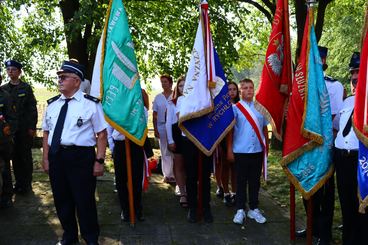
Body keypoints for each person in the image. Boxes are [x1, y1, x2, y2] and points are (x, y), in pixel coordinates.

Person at [42, 60, 107, 245]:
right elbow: (46, 132)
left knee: (84, 201)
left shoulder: (90, 104)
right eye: (59, 77)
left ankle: (91, 238)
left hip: (80, 158)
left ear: (77, 81)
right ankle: (69, 236)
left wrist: (99, 160)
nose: (59, 80)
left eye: (63, 77)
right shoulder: (53, 104)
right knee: (62, 200)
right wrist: (46, 158)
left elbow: (101, 134)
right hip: (57, 158)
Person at [296, 46, 344, 245]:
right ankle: (311, 225)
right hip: (304, 144)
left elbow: (333, 117)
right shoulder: (301, 85)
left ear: (324, 61)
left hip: (324, 144)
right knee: (306, 184)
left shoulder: (334, 86)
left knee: (324, 190)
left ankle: (324, 233)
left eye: (319, 59)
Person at [334, 52, 368, 245]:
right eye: (353, 74)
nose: (355, 78)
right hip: (342, 159)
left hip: (361, 159)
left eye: (359, 72)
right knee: (346, 204)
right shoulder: (346, 102)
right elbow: (338, 126)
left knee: (362, 206)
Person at [228, 78, 268, 225]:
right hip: (240, 151)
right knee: (240, 181)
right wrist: (229, 150)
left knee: (254, 182)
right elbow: (230, 132)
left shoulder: (260, 108)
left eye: (251, 87)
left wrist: (266, 149)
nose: (248, 90)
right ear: (240, 91)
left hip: (257, 151)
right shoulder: (235, 108)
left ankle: (253, 208)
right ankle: (240, 209)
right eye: (245, 88)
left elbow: (264, 129)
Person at [1, 60, 37, 194]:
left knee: (25, 156)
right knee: (14, 157)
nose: (11, 71)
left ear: (19, 72)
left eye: (13, 69)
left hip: (24, 128)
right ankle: (18, 183)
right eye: (8, 69)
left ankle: (27, 184)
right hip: (10, 130)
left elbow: (32, 109)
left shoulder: (26, 88)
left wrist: (32, 127)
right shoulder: (3, 89)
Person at [109, 127, 145, 222]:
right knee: (120, 179)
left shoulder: (139, 110)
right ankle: (125, 209)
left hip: (136, 143)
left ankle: (137, 208)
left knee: (137, 178)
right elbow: (109, 128)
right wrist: (112, 146)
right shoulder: (116, 111)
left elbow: (142, 123)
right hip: (120, 144)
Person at [165, 76, 187, 207]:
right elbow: (168, 123)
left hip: (190, 134)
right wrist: (170, 140)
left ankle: (189, 189)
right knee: (178, 164)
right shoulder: (172, 102)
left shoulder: (193, 100)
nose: (183, 88)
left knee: (189, 165)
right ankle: (183, 193)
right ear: (176, 88)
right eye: (180, 86)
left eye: (185, 85)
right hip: (176, 133)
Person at [152, 74, 174, 182]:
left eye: (165, 81)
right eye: (162, 82)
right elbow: (154, 114)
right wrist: (155, 129)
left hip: (173, 126)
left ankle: (175, 174)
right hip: (161, 125)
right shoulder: (158, 97)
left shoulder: (175, 95)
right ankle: (167, 174)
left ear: (170, 83)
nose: (163, 84)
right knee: (164, 150)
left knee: (174, 150)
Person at [220, 81, 239, 206]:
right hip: (223, 140)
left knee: (235, 169)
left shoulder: (240, 106)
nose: (231, 92)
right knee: (225, 166)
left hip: (238, 140)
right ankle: (226, 193)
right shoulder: (221, 107)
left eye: (234, 89)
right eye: (229, 89)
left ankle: (235, 193)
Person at [0, 69, 16, 208]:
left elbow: (11, 117)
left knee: (4, 169)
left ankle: (6, 196)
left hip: (2, 141)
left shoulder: (5, 96)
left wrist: (8, 131)